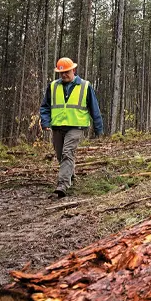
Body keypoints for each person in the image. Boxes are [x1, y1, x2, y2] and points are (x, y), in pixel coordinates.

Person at [40, 57, 104, 197]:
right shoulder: (53, 86)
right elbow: (45, 106)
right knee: (60, 155)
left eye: (67, 72)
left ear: (73, 70)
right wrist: (45, 122)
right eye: (61, 73)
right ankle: (71, 176)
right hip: (57, 126)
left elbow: (94, 108)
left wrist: (99, 128)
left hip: (76, 126)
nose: (64, 75)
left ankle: (62, 184)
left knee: (67, 152)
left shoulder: (85, 86)